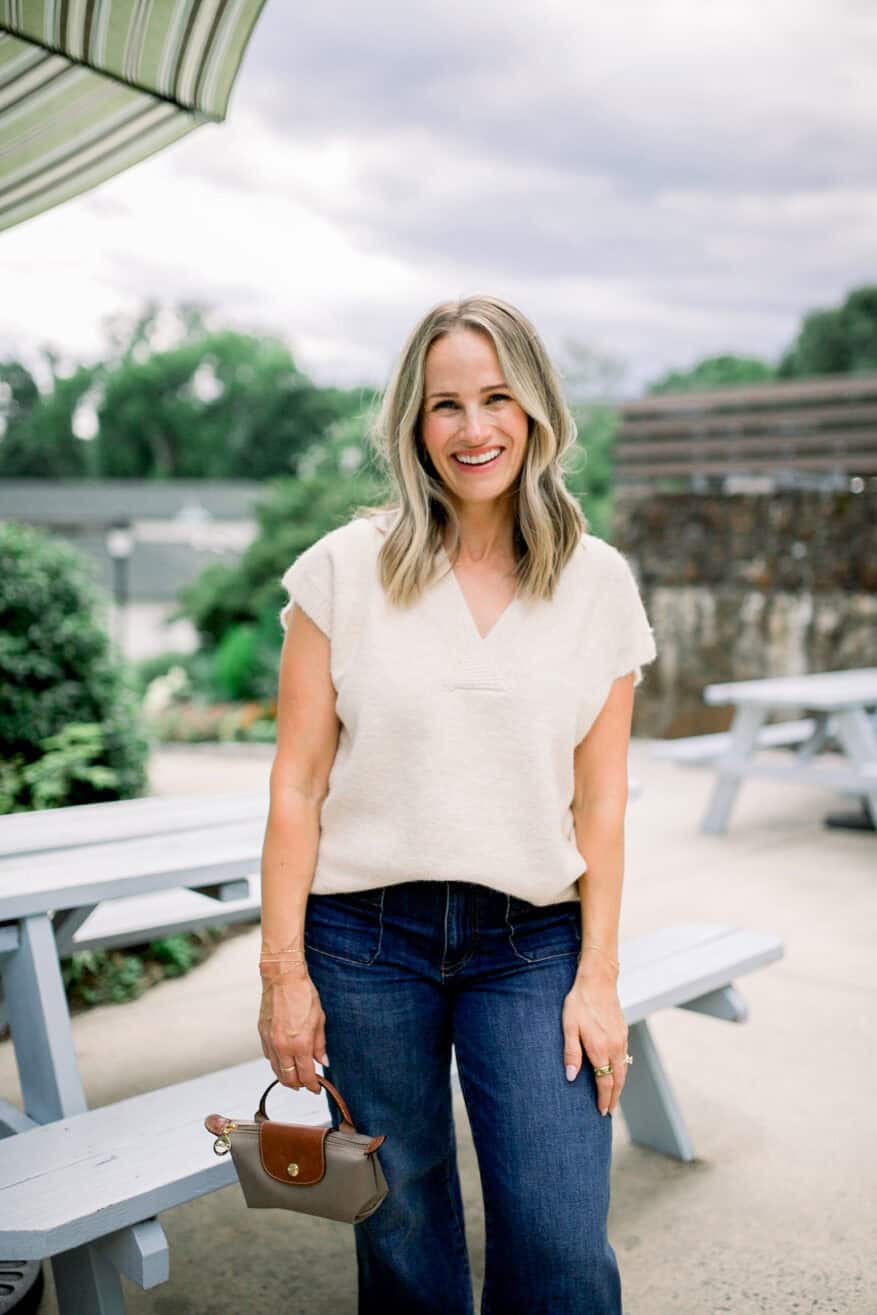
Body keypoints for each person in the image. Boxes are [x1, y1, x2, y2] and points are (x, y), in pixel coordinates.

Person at [257, 294, 657, 1315]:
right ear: (412, 421)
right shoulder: (342, 570)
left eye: (496, 398)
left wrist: (598, 977)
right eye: (445, 404)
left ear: (535, 411)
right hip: (364, 940)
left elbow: (602, 802)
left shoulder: (599, 583)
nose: (472, 429)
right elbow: (297, 785)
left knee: (560, 1238)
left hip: (532, 943)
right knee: (400, 1227)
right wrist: (284, 973)